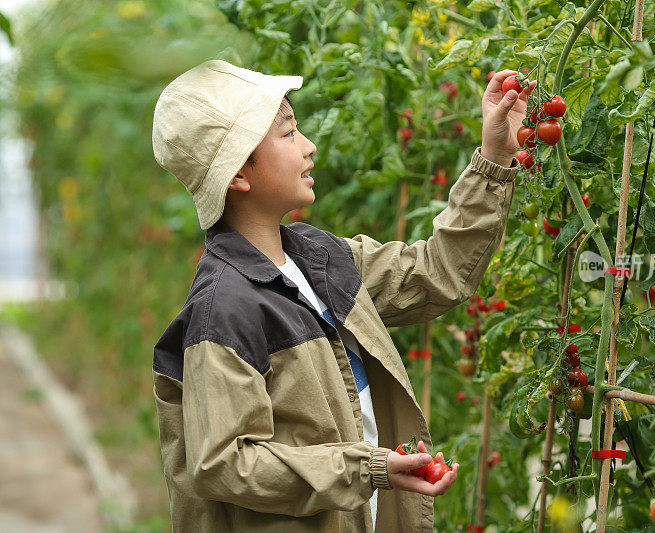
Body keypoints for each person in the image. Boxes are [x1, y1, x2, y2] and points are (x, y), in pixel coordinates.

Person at [150, 59, 534, 532]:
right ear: (238, 176)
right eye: (288, 134)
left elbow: (436, 271)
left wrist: (494, 157)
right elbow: (225, 462)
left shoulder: (321, 262)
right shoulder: (225, 308)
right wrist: (367, 468)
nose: (309, 146)